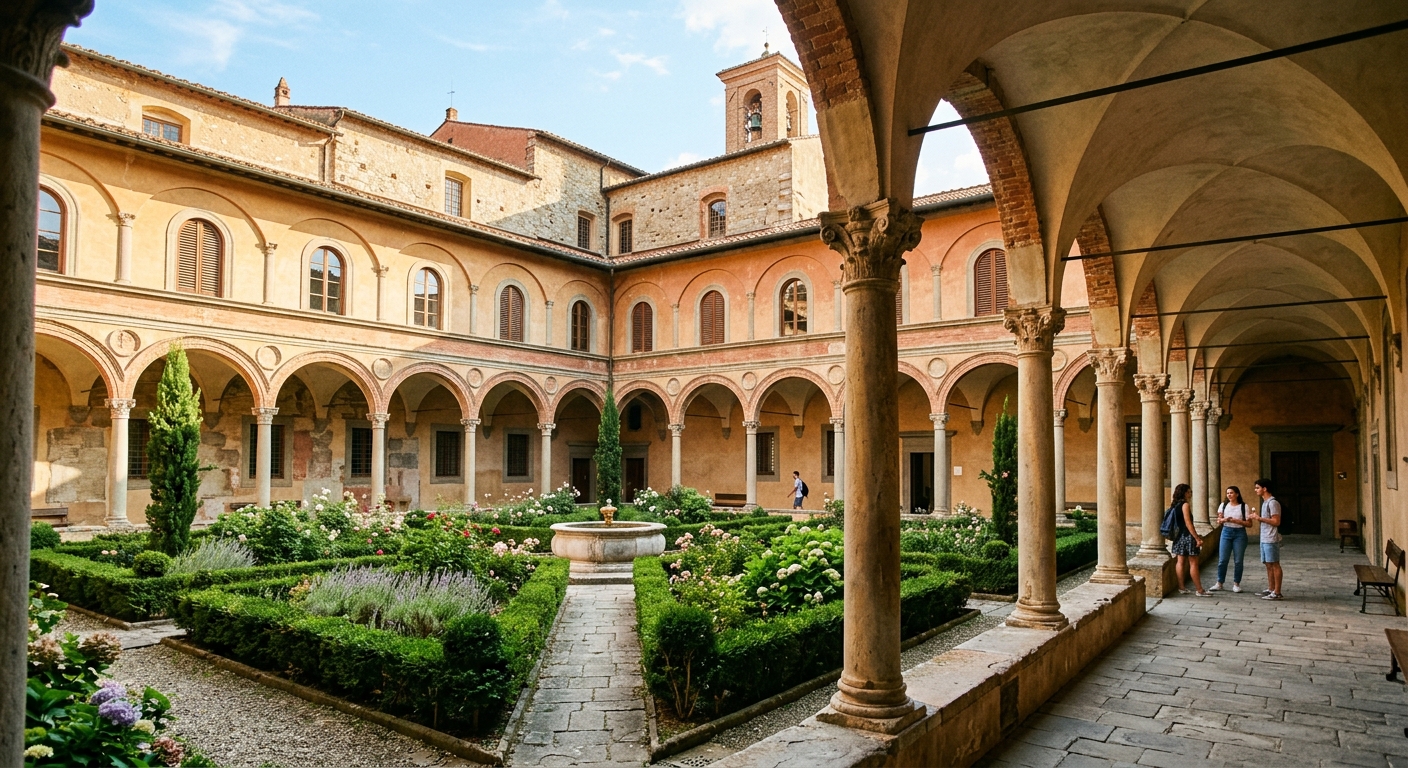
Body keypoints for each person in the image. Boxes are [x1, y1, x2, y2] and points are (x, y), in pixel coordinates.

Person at [1168, 483, 1209, 596]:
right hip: (1187, 537)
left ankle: (1181, 587)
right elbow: (1188, 523)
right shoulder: (1185, 505)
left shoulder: (1174, 505)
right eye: (1189, 492)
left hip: (1178, 537)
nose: (1190, 494)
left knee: (1180, 562)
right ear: (1185, 493)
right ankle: (1199, 590)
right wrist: (1197, 538)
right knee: (1193, 563)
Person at [1247, 478, 1284, 600]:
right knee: (1268, 564)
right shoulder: (1265, 502)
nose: (1255, 490)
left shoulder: (1273, 503)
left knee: (1275, 564)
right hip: (1264, 537)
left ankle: (1277, 592)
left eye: (1257, 487)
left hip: (1271, 538)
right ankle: (1271, 588)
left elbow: (1276, 521)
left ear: (1265, 488)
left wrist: (1259, 518)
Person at [1211, 486, 1250, 592]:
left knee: (1238, 561)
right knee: (1223, 560)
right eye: (1227, 493)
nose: (1229, 495)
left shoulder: (1243, 506)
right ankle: (1219, 583)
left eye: (1231, 493)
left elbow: (1249, 523)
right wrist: (1225, 520)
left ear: (1237, 494)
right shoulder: (1223, 505)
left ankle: (1236, 584)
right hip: (1226, 532)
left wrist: (1236, 521)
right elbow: (1219, 520)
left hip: (1239, 534)